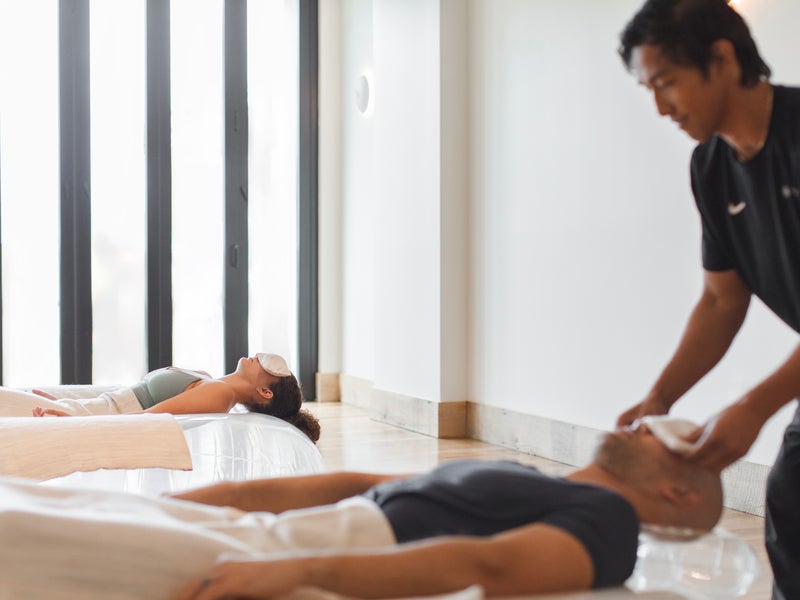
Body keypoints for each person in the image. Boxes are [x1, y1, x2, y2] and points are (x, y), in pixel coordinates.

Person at [0, 419, 723, 599]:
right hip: (271, 531)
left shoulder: (609, 523)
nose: (645, 423)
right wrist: (194, 504)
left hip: (299, 557)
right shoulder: (526, 473)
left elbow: (487, 564)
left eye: (671, 439)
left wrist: (287, 571)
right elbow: (346, 481)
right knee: (37, 499)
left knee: (23, 533)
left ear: (677, 492)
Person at [616, 2, 800, 598]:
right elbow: (722, 302)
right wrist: (659, 397)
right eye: (650, 89)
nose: (661, 106)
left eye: (666, 82)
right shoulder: (712, 167)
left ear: (722, 59)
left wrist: (753, 406)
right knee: (792, 498)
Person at [0, 353, 320, 443]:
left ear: (266, 391)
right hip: (84, 407)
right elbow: (129, 394)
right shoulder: (210, 381)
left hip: (86, 415)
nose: (260, 356)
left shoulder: (219, 394)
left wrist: (73, 420)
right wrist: (61, 398)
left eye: (272, 368)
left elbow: (146, 418)